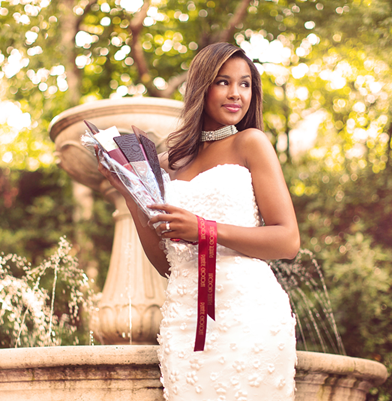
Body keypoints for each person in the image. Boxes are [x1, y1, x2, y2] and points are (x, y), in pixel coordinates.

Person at [97, 42, 299, 400]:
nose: (236, 93)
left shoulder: (251, 143)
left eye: (245, 83)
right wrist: (130, 193)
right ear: (201, 86)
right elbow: (167, 264)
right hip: (183, 319)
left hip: (248, 315)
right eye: (223, 82)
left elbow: (287, 241)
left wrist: (204, 229)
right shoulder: (167, 162)